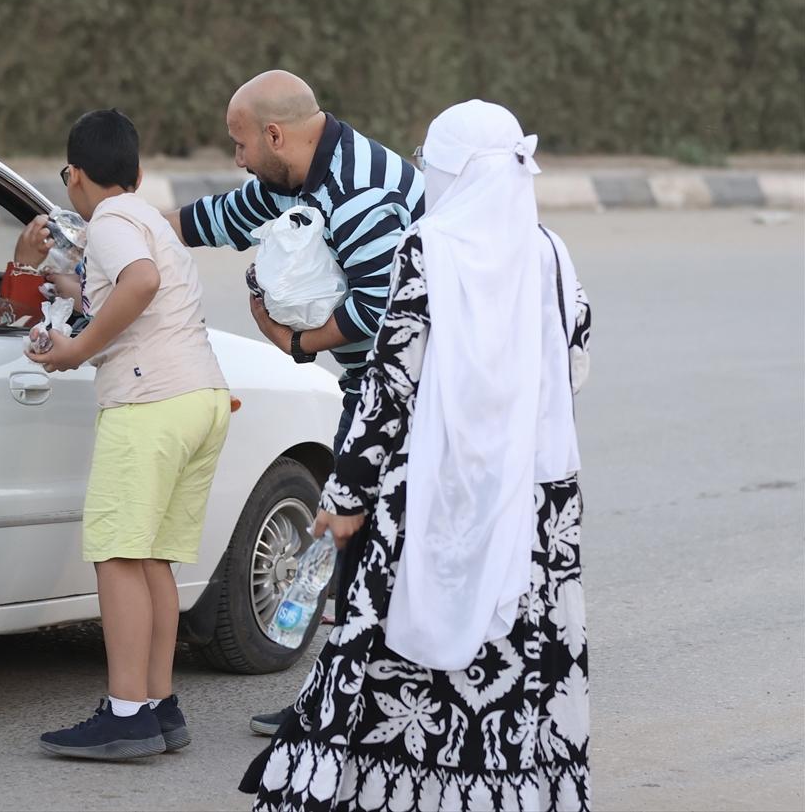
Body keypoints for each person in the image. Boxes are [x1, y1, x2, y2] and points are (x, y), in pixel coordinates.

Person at [241, 100, 593, 811]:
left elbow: (391, 383)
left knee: (395, 650)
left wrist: (345, 496)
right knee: (516, 657)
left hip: (429, 484)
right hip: (533, 494)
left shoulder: (429, 247)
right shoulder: (550, 252)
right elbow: (575, 356)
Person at [163, 70, 425, 736]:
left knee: (352, 536)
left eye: (241, 143)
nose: (238, 157)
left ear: (275, 135)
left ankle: (349, 705)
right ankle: (350, 698)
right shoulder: (299, 174)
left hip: (407, 393)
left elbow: (380, 309)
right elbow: (219, 217)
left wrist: (295, 342)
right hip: (376, 384)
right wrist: (129, 227)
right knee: (356, 541)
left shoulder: (359, 193)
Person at [27, 109, 232, 760]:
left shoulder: (110, 221)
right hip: (200, 396)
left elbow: (138, 283)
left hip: (150, 402)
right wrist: (55, 279)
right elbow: (126, 287)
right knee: (150, 559)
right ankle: (158, 704)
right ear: (139, 173)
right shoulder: (147, 220)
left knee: (117, 553)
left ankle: (125, 715)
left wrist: (76, 348)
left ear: (74, 176)